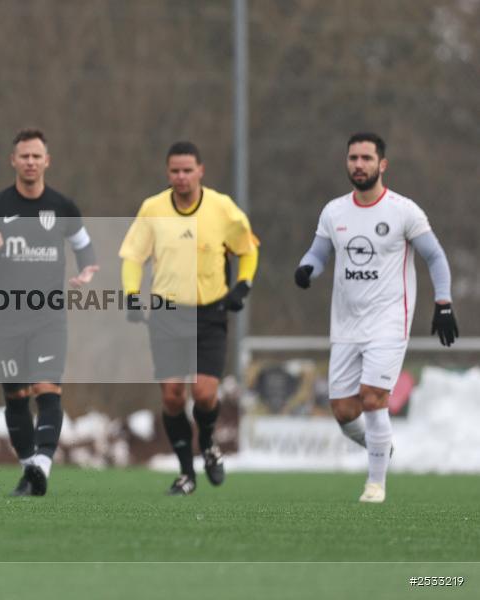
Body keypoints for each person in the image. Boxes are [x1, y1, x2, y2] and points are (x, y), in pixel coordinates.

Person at [294, 132, 457, 503]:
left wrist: (443, 302)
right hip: (347, 324)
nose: (359, 164)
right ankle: (380, 447)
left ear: (382, 165)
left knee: (372, 397)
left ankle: (375, 484)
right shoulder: (334, 212)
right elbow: (317, 254)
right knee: (343, 410)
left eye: (367, 158)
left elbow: (435, 256)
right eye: (353, 158)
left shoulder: (404, 211)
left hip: (388, 321)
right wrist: (306, 270)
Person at [0, 129, 98, 496]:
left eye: (37, 156)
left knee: (48, 391)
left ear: (47, 161)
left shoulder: (63, 208)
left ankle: (42, 463)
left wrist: (86, 270)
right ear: (14, 161)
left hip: (49, 316)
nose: (31, 162)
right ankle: (29, 471)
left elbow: (86, 249)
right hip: (6, 317)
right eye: (25, 156)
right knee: (16, 398)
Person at [119, 141, 258, 496]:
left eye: (187, 170)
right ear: (168, 173)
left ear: (201, 171)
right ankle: (186, 473)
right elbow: (133, 257)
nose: (181, 177)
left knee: (205, 392)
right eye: (175, 171)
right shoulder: (153, 209)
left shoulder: (221, 208)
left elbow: (248, 249)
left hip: (210, 312)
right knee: (172, 396)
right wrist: (132, 294)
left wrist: (243, 284)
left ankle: (208, 443)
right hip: (166, 313)